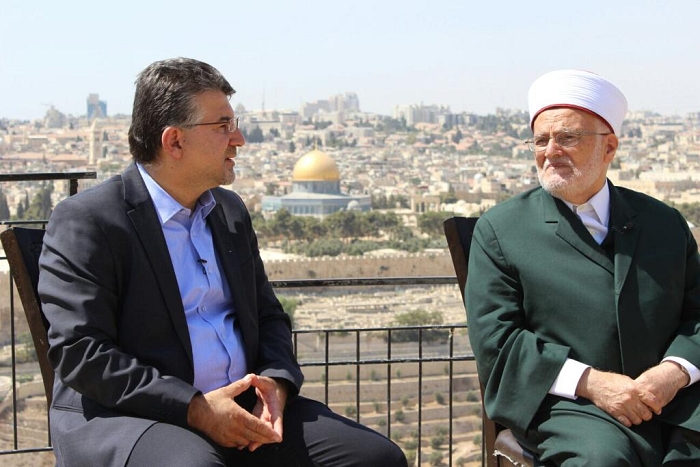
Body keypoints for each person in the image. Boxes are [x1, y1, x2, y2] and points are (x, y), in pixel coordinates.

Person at [38, 57, 407, 467]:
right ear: (174, 141)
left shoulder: (228, 212)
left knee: (377, 458)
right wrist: (196, 407)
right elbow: (81, 351)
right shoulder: (91, 220)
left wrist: (276, 383)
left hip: (240, 407)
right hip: (133, 417)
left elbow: (268, 317)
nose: (239, 139)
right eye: (223, 126)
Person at [465, 69, 700, 466]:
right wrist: (593, 383)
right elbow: (497, 340)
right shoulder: (502, 230)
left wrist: (672, 373)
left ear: (609, 147)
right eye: (541, 140)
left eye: (567, 137)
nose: (551, 151)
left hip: (673, 399)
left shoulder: (664, 223)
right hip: (570, 404)